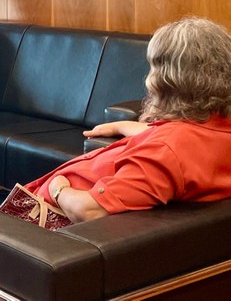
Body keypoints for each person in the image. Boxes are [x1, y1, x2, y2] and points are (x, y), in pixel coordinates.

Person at [17, 17, 231, 224]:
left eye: (154, 67)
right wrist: (123, 125)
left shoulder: (165, 151)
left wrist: (58, 189)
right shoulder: (213, 131)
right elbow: (191, 143)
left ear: (168, 80)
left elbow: (88, 211)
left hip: (42, 222)